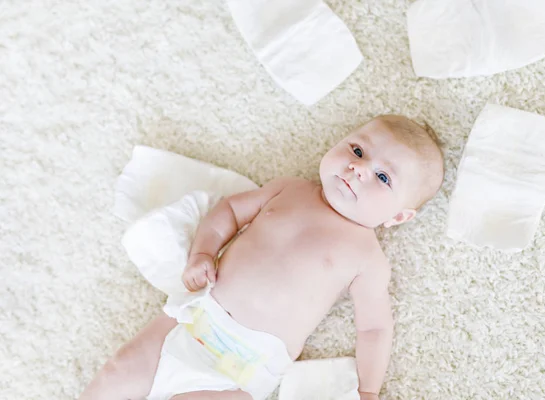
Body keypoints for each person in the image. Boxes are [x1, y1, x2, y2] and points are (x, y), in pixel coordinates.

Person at [80, 115, 444, 400]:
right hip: (196, 318)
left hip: (242, 368)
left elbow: (374, 328)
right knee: (117, 372)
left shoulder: (367, 258)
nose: (358, 168)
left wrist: (368, 389)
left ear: (398, 217)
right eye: (357, 150)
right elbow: (230, 210)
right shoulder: (291, 189)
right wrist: (203, 251)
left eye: (382, 177)